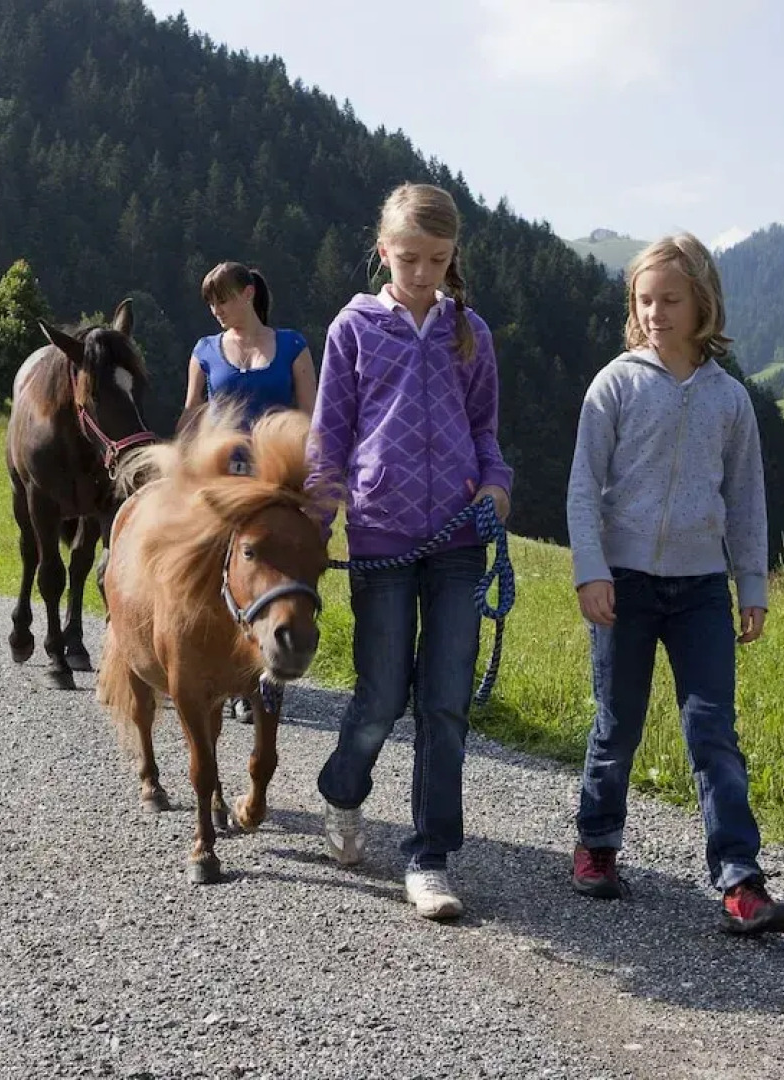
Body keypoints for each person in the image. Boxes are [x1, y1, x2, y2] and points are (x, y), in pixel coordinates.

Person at [566, 233, 784, 935]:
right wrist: (591, 571)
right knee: (618, 722)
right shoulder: (614, 384)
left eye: (672, 299)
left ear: (703, 301)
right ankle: (596, 845)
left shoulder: (730, 401)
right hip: (625, 584)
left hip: (700, 586)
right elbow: (582, 488)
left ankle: (739, 881)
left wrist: (750, 584)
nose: (657, 312)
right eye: (645, 300)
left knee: (711, 732)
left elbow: (747, 497)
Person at [306, 182, 512, 920]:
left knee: (445, 703)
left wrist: (495, 485)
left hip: (459, 537)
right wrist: (318, 514)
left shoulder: (471, 333)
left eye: (437, 258)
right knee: (383, 693)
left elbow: (485, 429)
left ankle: (428, 857)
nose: (422, 272)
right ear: (383, 250)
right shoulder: (353, 329)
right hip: (381, 537)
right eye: (409, 257)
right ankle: (342, 790)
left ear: (453, 256)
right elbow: (329, 432)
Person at [182, 262, 317, 722]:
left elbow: (311, 418)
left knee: (273, 574)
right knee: (205, 573)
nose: (216, 309)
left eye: (223, 298)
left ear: (249, 293)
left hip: (276, 483)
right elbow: (192, 416)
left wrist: (315, 489)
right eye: (210, 302)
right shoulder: (203, 350)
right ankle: (212, 665)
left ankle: (263, 672)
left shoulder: (294, 346)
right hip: (220, 480)